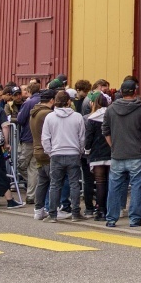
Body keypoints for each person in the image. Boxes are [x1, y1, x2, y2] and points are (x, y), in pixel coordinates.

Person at [103, 81, 141, 227]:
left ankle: (111, 218)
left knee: (114, 186)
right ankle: (135, 218)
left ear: (121, 92)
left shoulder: (110, 109)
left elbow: (105, 130)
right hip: (137, 153)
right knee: (137, 185)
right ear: (135, 92)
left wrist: (113, 146)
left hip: (118, 153)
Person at [39, 92, 86, 221]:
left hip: (56, 153)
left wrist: (50, 152)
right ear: (69, 102)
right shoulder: (77, 117)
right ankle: (76, 213)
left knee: (55, 184)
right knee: (74, 184)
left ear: (55, 101)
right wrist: (80, 150)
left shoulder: (50, 117)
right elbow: (82, 137)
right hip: (73, 153)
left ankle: (53, 214)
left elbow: (45, 138)